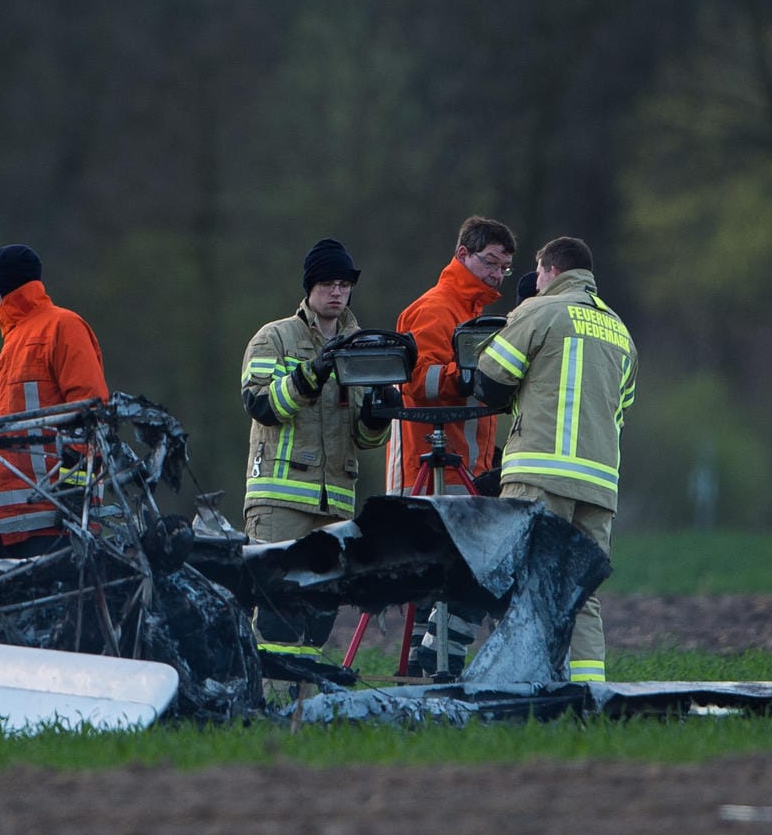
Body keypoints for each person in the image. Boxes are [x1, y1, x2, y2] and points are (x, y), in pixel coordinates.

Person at [472, 236, 637, 682]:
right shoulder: (620, 330)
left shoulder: (539, 310)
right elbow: (621, 407)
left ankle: (526, 686)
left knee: (527, 585)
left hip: (541, 475)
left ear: (550, 271)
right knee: (581, 594)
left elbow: (489, 379)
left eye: (538, 272)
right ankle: (588, 691)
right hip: (599, 486)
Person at [239, 238, 394, 661]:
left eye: (344, 284)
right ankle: (270, 706)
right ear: (309, 288)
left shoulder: (362, 346)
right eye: (328, 283)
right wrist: (312, 374)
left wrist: (380, 414)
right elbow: (261, 405)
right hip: (279, 500)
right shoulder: (274, 338)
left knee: (321, 615)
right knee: (277, 613)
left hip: (335, 503)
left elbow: (364, 439)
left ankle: (301, 711)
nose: (337, 292)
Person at [387, 215, 515, 674]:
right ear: (462, 254)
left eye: (503, 266)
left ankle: (436, 665)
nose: (497, 274)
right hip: (431, 467)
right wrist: (474, 379)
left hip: (466, 464)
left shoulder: (479, 313)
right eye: (489, 262)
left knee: (458, 573)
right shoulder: (435, 308)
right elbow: (421, 381)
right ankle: (431, 669)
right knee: (439, 576)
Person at [0, 244, 110, 559]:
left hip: (54, 519)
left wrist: (75, 491)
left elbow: (90, 410)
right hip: (5, 528)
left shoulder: (62, 326)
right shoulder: (12, 345)